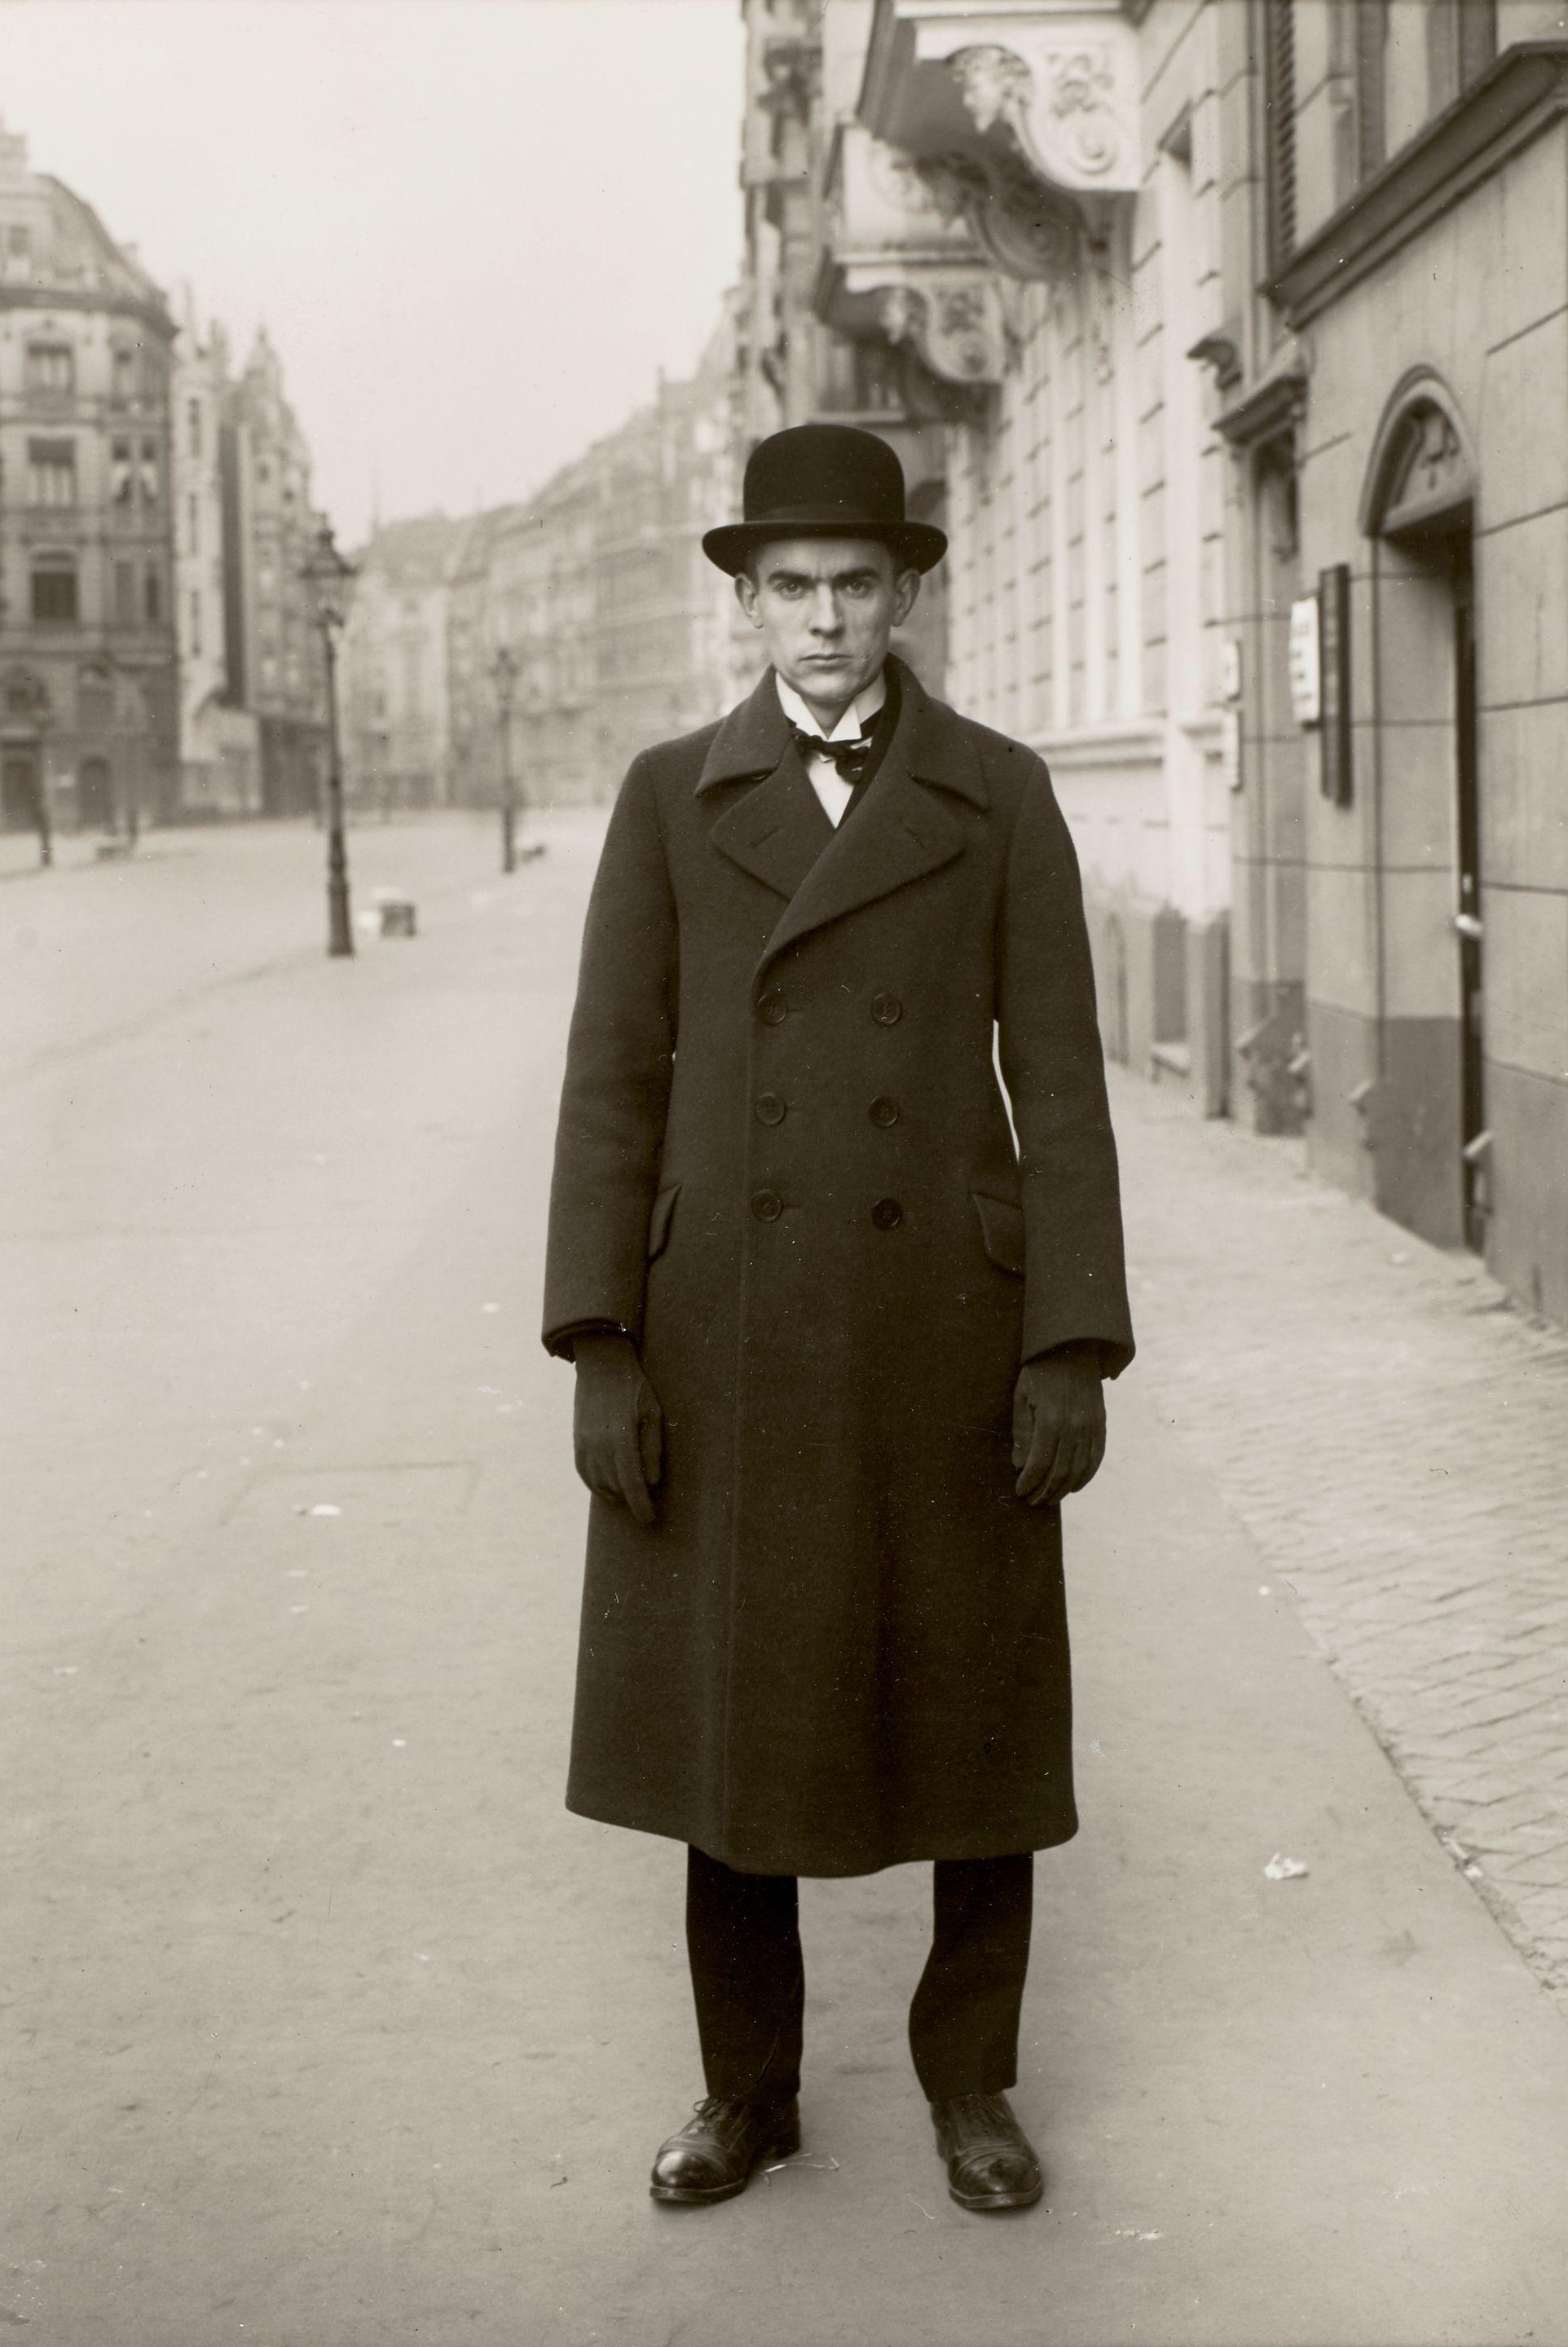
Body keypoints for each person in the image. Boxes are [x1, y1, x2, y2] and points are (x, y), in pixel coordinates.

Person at [543, 422, 1133, 2213]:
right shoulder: (667, 794)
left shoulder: (997, 790)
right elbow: (606, 1085)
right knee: (736, 1716)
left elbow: (1063, 1081)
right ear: (743, 599)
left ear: (905, 592)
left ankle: (970, 2086)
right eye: (788, 587)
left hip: (939, 1323)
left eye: (855, 585)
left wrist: (1066, 1343)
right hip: (723, 1323)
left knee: (974, 1722)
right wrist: (597, 1339)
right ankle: (752, 2093)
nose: (822, 620)